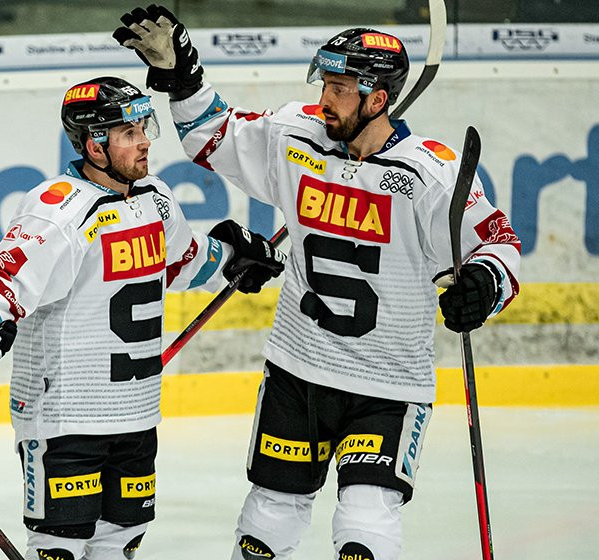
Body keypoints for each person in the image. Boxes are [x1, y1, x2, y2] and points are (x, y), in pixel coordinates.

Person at [115, 7, 521, 560]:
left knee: (365, 524)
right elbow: (214, 136)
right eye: (324, 84)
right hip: (297, 369)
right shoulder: (296, 137)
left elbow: (497, 242)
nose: (324, 99)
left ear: (377, 99)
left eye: (340, 89)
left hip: (387, 384)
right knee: (266, 523)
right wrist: (183, 76)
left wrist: (485, 282)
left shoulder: (430, 173)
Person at [0, 76, 286, 560]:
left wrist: (232, 257)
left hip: (136, 413)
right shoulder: (58, 209)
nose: (145, 141)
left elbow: (181, 262)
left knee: (120, 541)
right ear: (95, 145)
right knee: (60, 545)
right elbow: (5, 279)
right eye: (129, 133)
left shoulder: (155, 198)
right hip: (64, 418)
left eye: (144, 128)